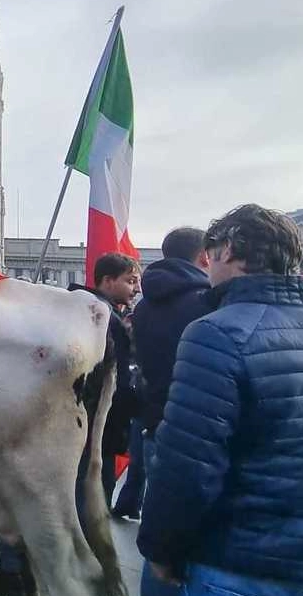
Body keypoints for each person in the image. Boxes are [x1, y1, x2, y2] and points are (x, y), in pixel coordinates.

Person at [138, 204, 303, 594]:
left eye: (210, 253)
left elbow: (188, 466)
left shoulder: (216, 333)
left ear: (227, 250)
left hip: (238, 563)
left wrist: (160, 550)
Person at [118, 228, 212, 535]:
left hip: (155, 423)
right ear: (204, 257)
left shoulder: (144, 307)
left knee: (160, 527)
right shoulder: (208, 303)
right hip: (197, 432)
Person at [68, 252, 141, 508]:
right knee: (90, 497)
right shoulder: (104, 319)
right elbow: (116, 382)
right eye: (130, 281)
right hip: (97, 424)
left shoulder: (81, 309)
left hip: (81, 423)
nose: (137, 289)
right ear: (108, 281)